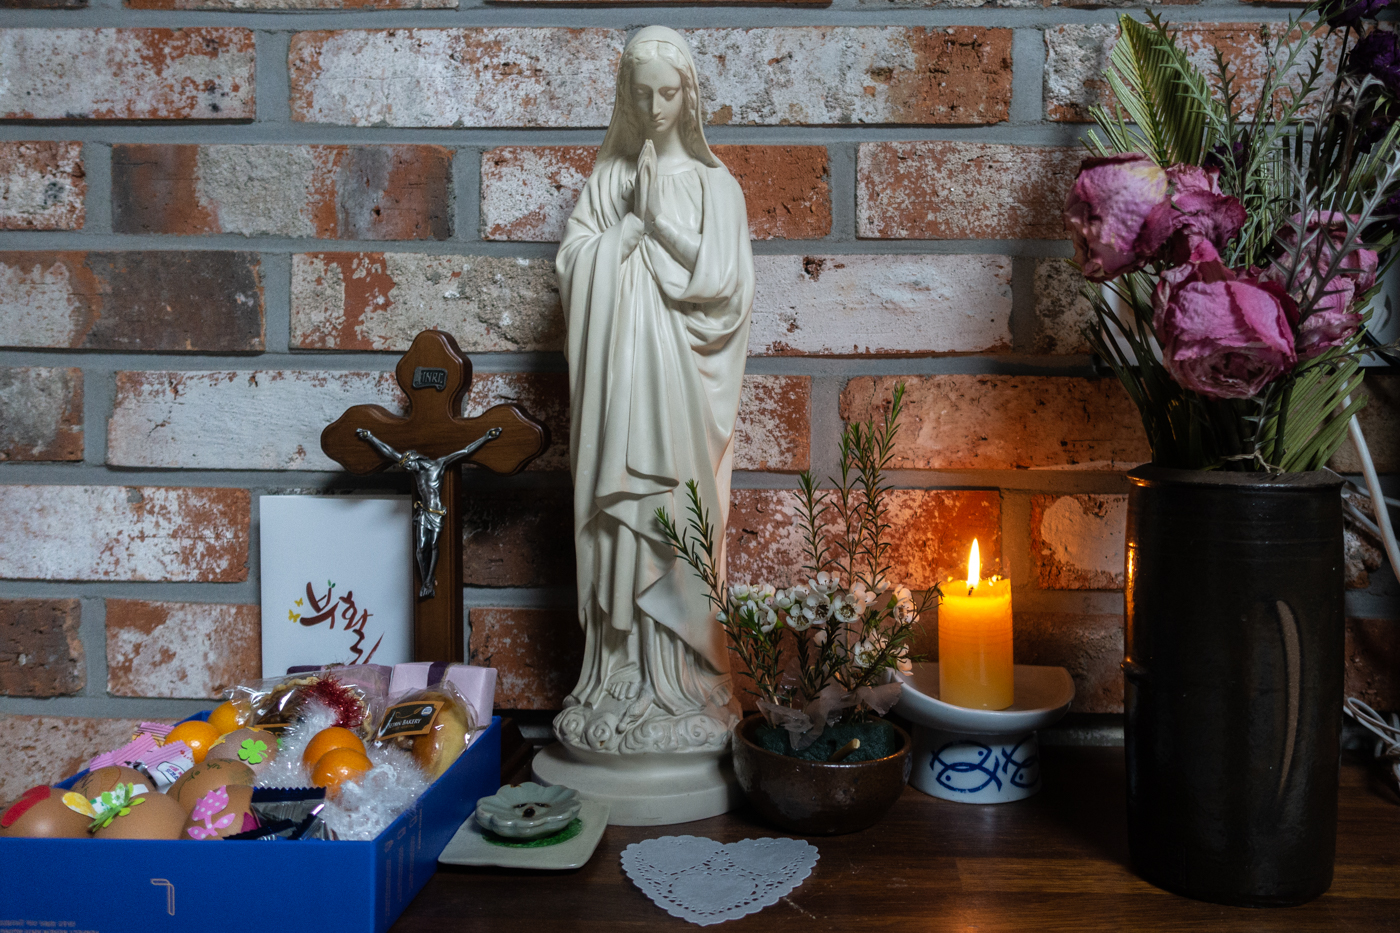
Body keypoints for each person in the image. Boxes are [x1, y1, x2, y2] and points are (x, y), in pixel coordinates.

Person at [555, 26, 755, 754]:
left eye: (668, 92)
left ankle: (683, 680)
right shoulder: (606, 183)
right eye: (641, 94)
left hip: (680, 390)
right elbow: (574, 266)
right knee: (623, 525)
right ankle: (618, 677)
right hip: (620, 384)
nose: (655, 106)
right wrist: (625, 229)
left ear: (689, 96)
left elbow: (724, 286)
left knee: (678, 517)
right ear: (626, 97)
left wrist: (657, 223)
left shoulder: (714, 185)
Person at [355, 427, 501, 597]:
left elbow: (465, 451)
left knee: (433, 545)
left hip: (437, 512)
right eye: (406, 467)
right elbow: (390, 452)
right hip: (424, 512)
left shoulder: (439, 464)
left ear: (415, 459)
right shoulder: (415, 470)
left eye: (409, 465)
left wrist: (486, 437)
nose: (409, 469)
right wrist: (370, 437)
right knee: (420, 548)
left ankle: (429, 581)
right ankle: (426, 580)